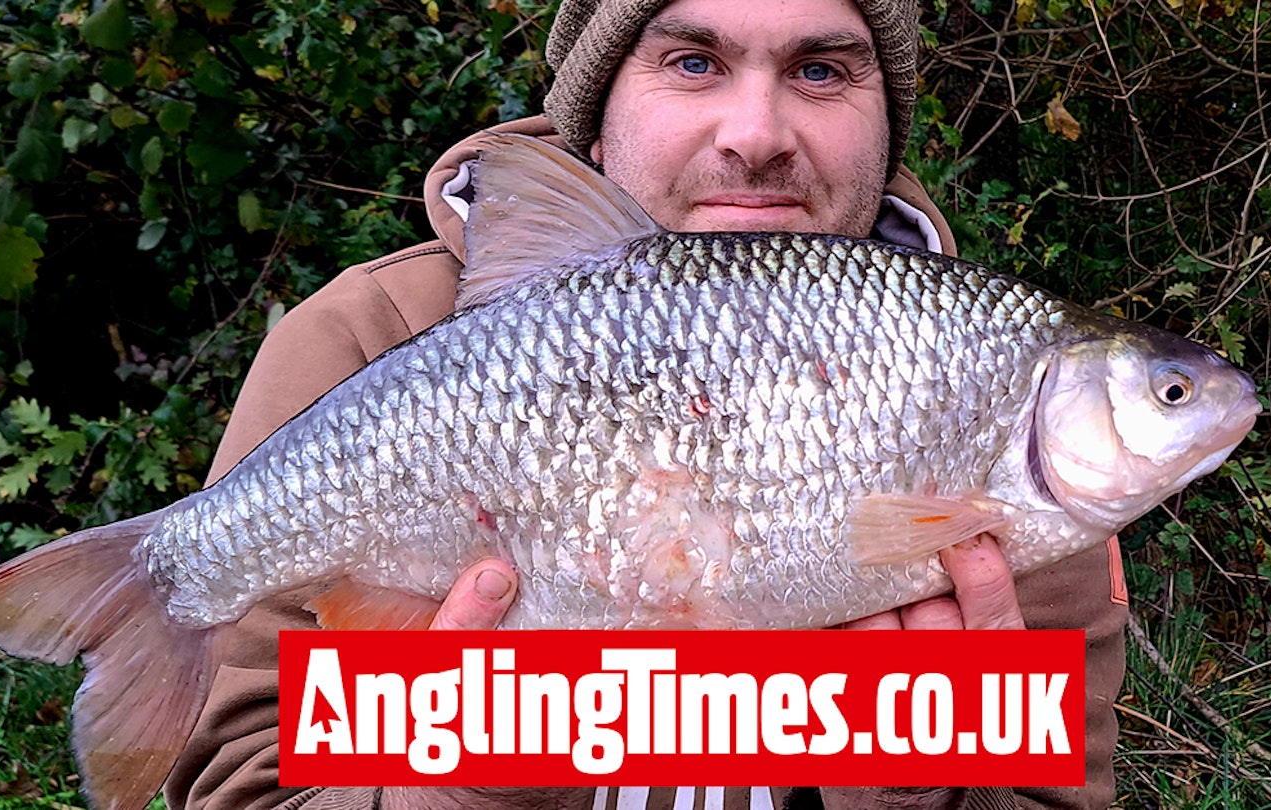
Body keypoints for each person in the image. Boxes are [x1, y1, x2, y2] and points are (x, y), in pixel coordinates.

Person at [165, 0, 1129, 808]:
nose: (756, 134)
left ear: (887, 113)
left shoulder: (998, 396)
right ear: (596, 108)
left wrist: (927, 784)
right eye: (694, 60)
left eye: (824, 71)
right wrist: (472, 775)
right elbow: (245, 789)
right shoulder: (368, 345)